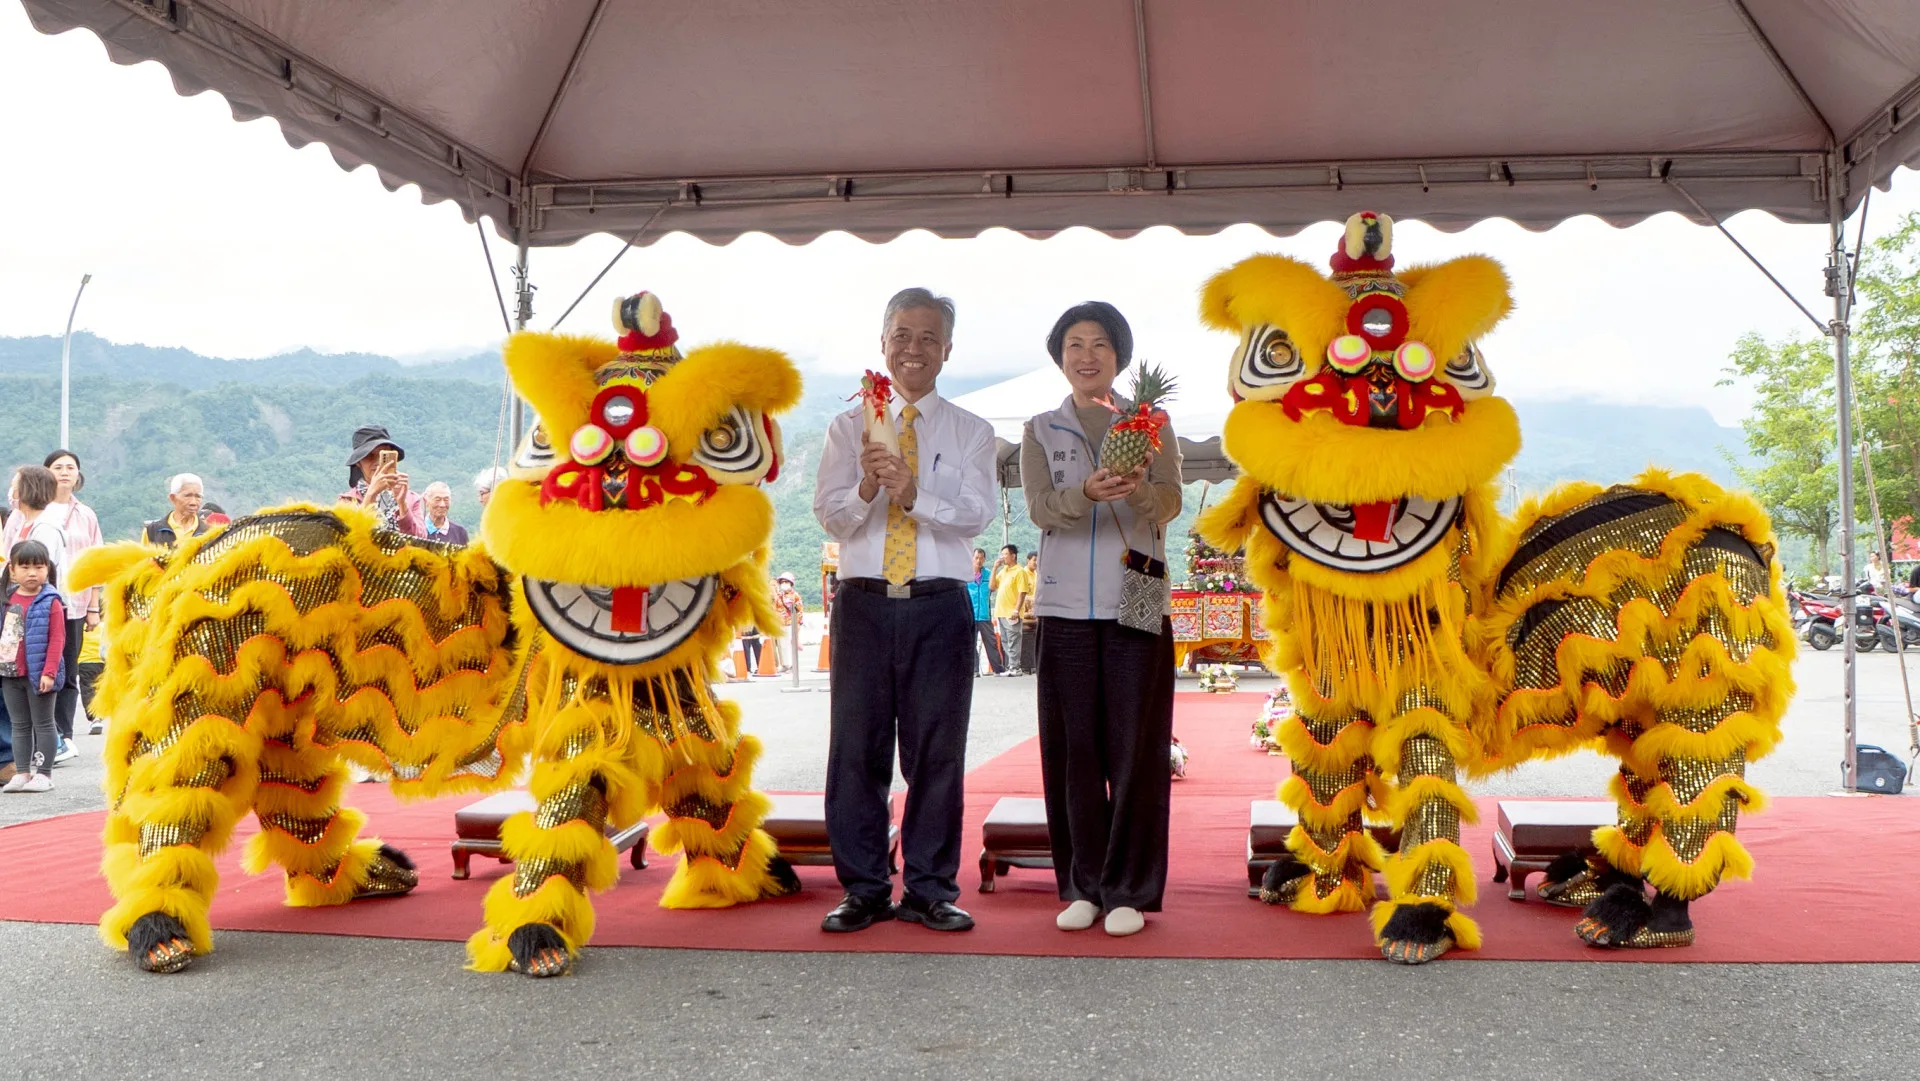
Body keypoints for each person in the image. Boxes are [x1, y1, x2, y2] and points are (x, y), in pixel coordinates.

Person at [812, 287, 997, 934]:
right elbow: (830, 516)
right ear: (883, 342)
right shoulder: (847, 428)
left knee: (937, 753)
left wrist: (914, 492)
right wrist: (867, 485)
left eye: (928, 338)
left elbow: (977, 515)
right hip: (863, 605)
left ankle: (930, 888)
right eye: (902, 335)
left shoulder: (972, 431)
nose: (913, 349)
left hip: (939, 606)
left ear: (947, 350)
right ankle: (864, 888)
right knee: (855, 751)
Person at [1021, 300, 1183, 938]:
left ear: (1119, 357)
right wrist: (1083, 493)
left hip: (1138, 594)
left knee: (1137, 748)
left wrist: (1136, 489)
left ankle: (1129, 891)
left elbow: (1169, 503)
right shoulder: (1040, 429)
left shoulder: (1152, 423)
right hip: (1063, 604)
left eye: (1099, 345)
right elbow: (1040, 509)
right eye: (1074, 346)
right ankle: (1083, 885)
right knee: (1074, 752)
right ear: (1060, 358)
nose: (1086, 357)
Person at [43, 451, 102, 757]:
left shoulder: (86, 515)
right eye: (58, 467)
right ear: (46, 472)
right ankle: (41, 733)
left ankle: (64, 736)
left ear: (78, 474)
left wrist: (93, 607)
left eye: (70, 467)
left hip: (75, 604)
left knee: (68, 670)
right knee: (39, 668)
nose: (65, 472)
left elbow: (97, 562)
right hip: (39, 604)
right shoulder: (36, 510)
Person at [0, 539, 69, 793]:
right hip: (11, 673)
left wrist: (49, 672)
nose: (32, 573)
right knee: (19, 725)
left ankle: (44, 773)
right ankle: (22, 772)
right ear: (12, 570)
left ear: (47, 569)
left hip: (40, 674)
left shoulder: (50, 601)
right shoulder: (6, 599)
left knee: (43, 723)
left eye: (38, 567)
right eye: (25, 567)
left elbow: (58, 640)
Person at [340, 425, 426, 537]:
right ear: (358, 462)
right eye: (369, 456)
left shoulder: (411, 499)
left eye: (383, 456)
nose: (377, 462)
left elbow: (421, 539)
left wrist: (402, 504)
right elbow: (348, 537)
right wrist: (371, 494)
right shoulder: (347, 501)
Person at [992, 543, 1032, 675]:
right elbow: (992, 586)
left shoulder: (1020, 571)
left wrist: (1016, 610)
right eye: (1002, 554)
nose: (1003, 557)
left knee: (1014, 639)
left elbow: (1022, 592)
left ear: (1013, 556)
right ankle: (1011, 666)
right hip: (1001, 612)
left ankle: (1015, 667)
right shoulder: (1004, 571)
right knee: (1005, 641)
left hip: (1011, 613)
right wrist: (995, 568)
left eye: (1005, 554)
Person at [965, 547, 1006, 675]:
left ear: (984, 559)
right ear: (972, 558)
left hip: (984, 615)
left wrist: (995, 568)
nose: (979, 560)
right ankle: (974, 670)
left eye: (981, 558)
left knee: (991, 643)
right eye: (976, 558)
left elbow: (993, 588)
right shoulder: (966, 574)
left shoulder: (989, 574)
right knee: (970, 644)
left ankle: (998, 669)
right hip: (970, 615)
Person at [142, 474, 212, 547]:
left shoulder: (209, 534)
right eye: (187, 496)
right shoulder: (152, 532)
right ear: (172, 498)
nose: (193, 502)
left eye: (198, 497)